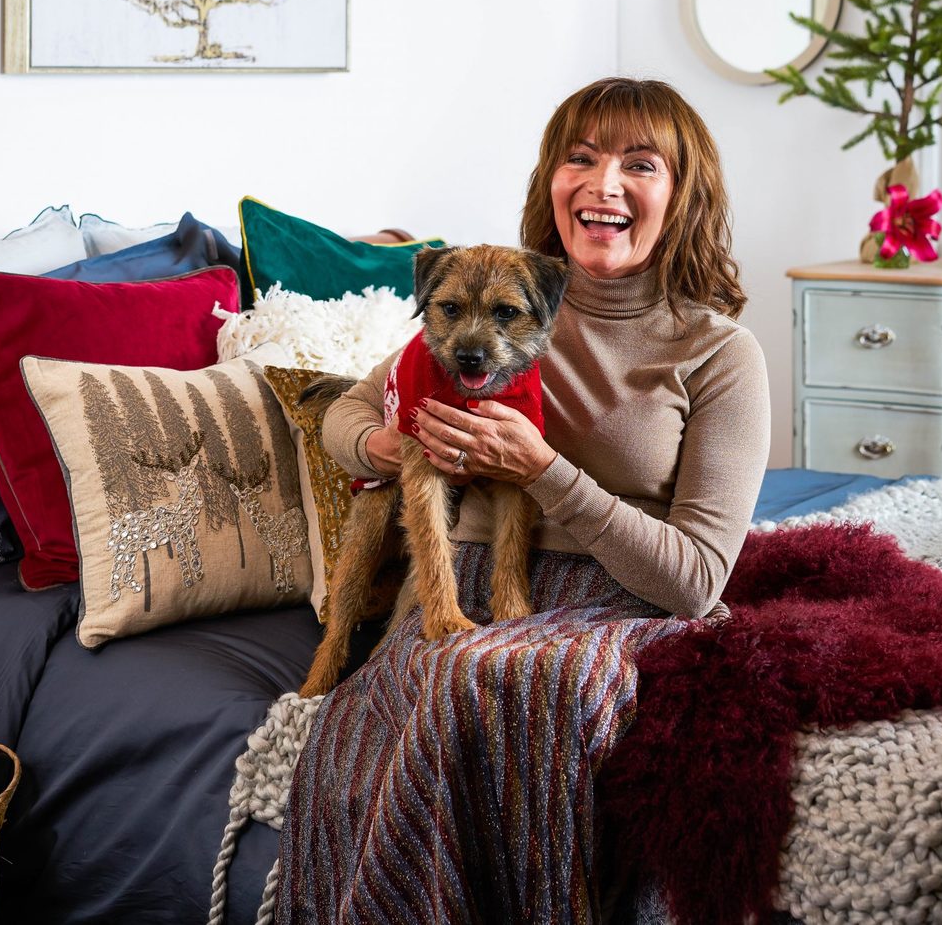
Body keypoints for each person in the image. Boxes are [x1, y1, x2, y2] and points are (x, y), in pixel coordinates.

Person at [277, 77, 771, 922]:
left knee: (515, 680)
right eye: (579, 159)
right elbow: (352, 413)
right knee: (459, 676)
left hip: (620, 603)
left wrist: (545, 471)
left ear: (682, 194)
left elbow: (695, 584)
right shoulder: (484, 298)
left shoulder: (718, 352)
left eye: (638, 165)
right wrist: (389, 447)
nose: (603, 184)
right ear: (552, 181)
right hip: (457, 593)